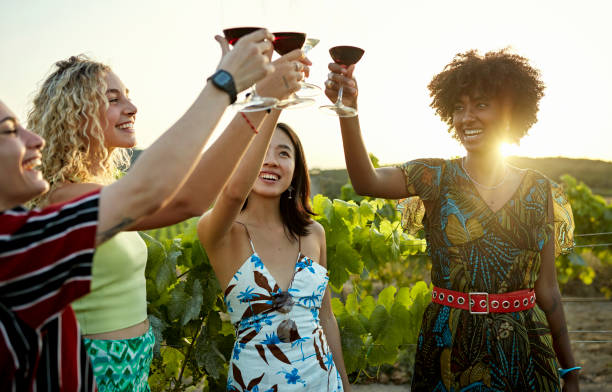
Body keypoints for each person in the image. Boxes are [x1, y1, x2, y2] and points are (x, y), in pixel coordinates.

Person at [26, 35, 307, 390]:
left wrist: (262, 101)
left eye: (127, 95)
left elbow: (192, 183)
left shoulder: (102, 190)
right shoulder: (64, 197)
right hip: (91, 372)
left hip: (128, 370)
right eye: (113, 99)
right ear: (74, 114)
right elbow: (186, 199)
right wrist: (246, 96)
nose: (131, 107)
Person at [324, 49, 580, 391]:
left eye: (481, 105)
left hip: (523, 348)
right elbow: (365, 181)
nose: (466, 117)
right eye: (458, 107)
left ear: (510, 112)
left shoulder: (539, 191)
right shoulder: (434, 177)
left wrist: (570, 372)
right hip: (449, 344)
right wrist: (348, 111)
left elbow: (548, 291)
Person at [197, 115, 350, 390]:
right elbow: (232, 195)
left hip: (323, 383)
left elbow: (325, 316)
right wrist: (274, 104)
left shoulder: (314, 233)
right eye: (261, 150)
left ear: (295, 168)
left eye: (283, 153)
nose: (271, 161)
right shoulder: (221, 232)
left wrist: (345, 386)